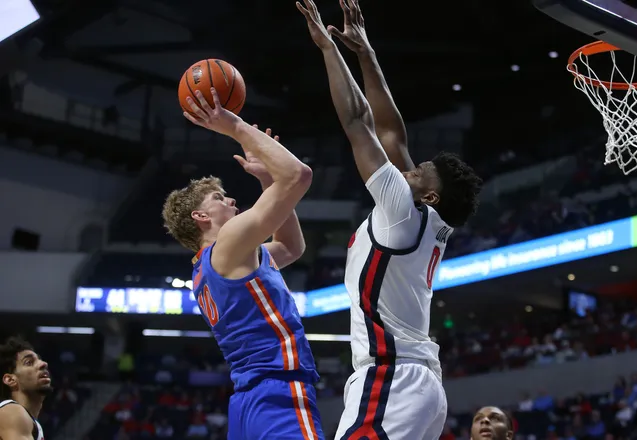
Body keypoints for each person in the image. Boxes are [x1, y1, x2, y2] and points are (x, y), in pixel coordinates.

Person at [298, 0, 482, 439]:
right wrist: (366, 52)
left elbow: (359, 121)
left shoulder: (402, 210)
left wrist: (329, 49)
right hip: (418, 385)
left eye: (417, 172)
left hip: (391, 379)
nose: (409, 168)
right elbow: (393, 132)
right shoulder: (428, 221)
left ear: (429, 194)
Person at [162, 89, 323, 440]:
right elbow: (298, 175)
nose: (231, 198)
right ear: (201, 216)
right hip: (277, 389)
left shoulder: (210, 266)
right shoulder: (228, 244)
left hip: (249, 400)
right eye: (219, 198)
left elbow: (290, 248)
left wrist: (266, 178)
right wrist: (233, 125)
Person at [0, 337, 50, 440]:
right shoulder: (12, 412)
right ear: (10, 380)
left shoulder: (30, 422)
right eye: (29, 362)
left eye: (40, 359)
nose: (43, 364)